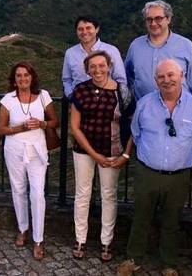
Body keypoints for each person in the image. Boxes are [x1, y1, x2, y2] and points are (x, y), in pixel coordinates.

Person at [117, 59, 192, 276]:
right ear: (156, 80)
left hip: (179, 175)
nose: (166, 80)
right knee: (140, 217)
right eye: (161, 77)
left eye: (171, 75)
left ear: (182, 76)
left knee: (172, 220)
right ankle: (133, 259)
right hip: (147, 172)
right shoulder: (145, 104)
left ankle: (168, 263)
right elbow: (136, 133)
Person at [69, 50, 134, 261]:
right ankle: (80, 239)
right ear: (87, 70)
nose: (97, 70)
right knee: (82, 194)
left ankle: (106, 242)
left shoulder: (122, 92)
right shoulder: (80, 90)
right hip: (84, 151)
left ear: (109, 65)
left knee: (109, 195)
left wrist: (126, 154)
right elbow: (75, 127)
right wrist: (94, 154)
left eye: (101, 65)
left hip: (112, 151)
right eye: (93, 67)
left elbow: (134, 126)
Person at [0, 62, 58, 260]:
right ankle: (23, 228)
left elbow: (55, 121)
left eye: (26, 75)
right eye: (19, 75)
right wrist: (19, 129)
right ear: (14, 80)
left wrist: (42, 124)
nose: (23, 78)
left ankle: (38, 238)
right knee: (19, 190)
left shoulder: (44, 96)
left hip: (37, 151)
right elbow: (0, 129)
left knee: (38, 193)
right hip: (14, 150)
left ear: (32, 77)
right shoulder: (8, 100)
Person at [125, 0, 192, 102]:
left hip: (180, 112)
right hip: (146, 113)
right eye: (149, 19)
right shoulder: (136, 46)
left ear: (168, 19)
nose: (153, 23)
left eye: (158, 19)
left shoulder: (185, 46)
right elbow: (128, 79)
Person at [62, 15, 127, 97]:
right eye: (80, 29)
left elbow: (121, 80)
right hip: (79, 102)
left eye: (88, 28)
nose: (84, 32)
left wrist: (114, 97)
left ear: (97, 29)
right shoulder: (70, 53)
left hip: (107, 101)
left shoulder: (112, 51)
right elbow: (67, 80)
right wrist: (71, 96)